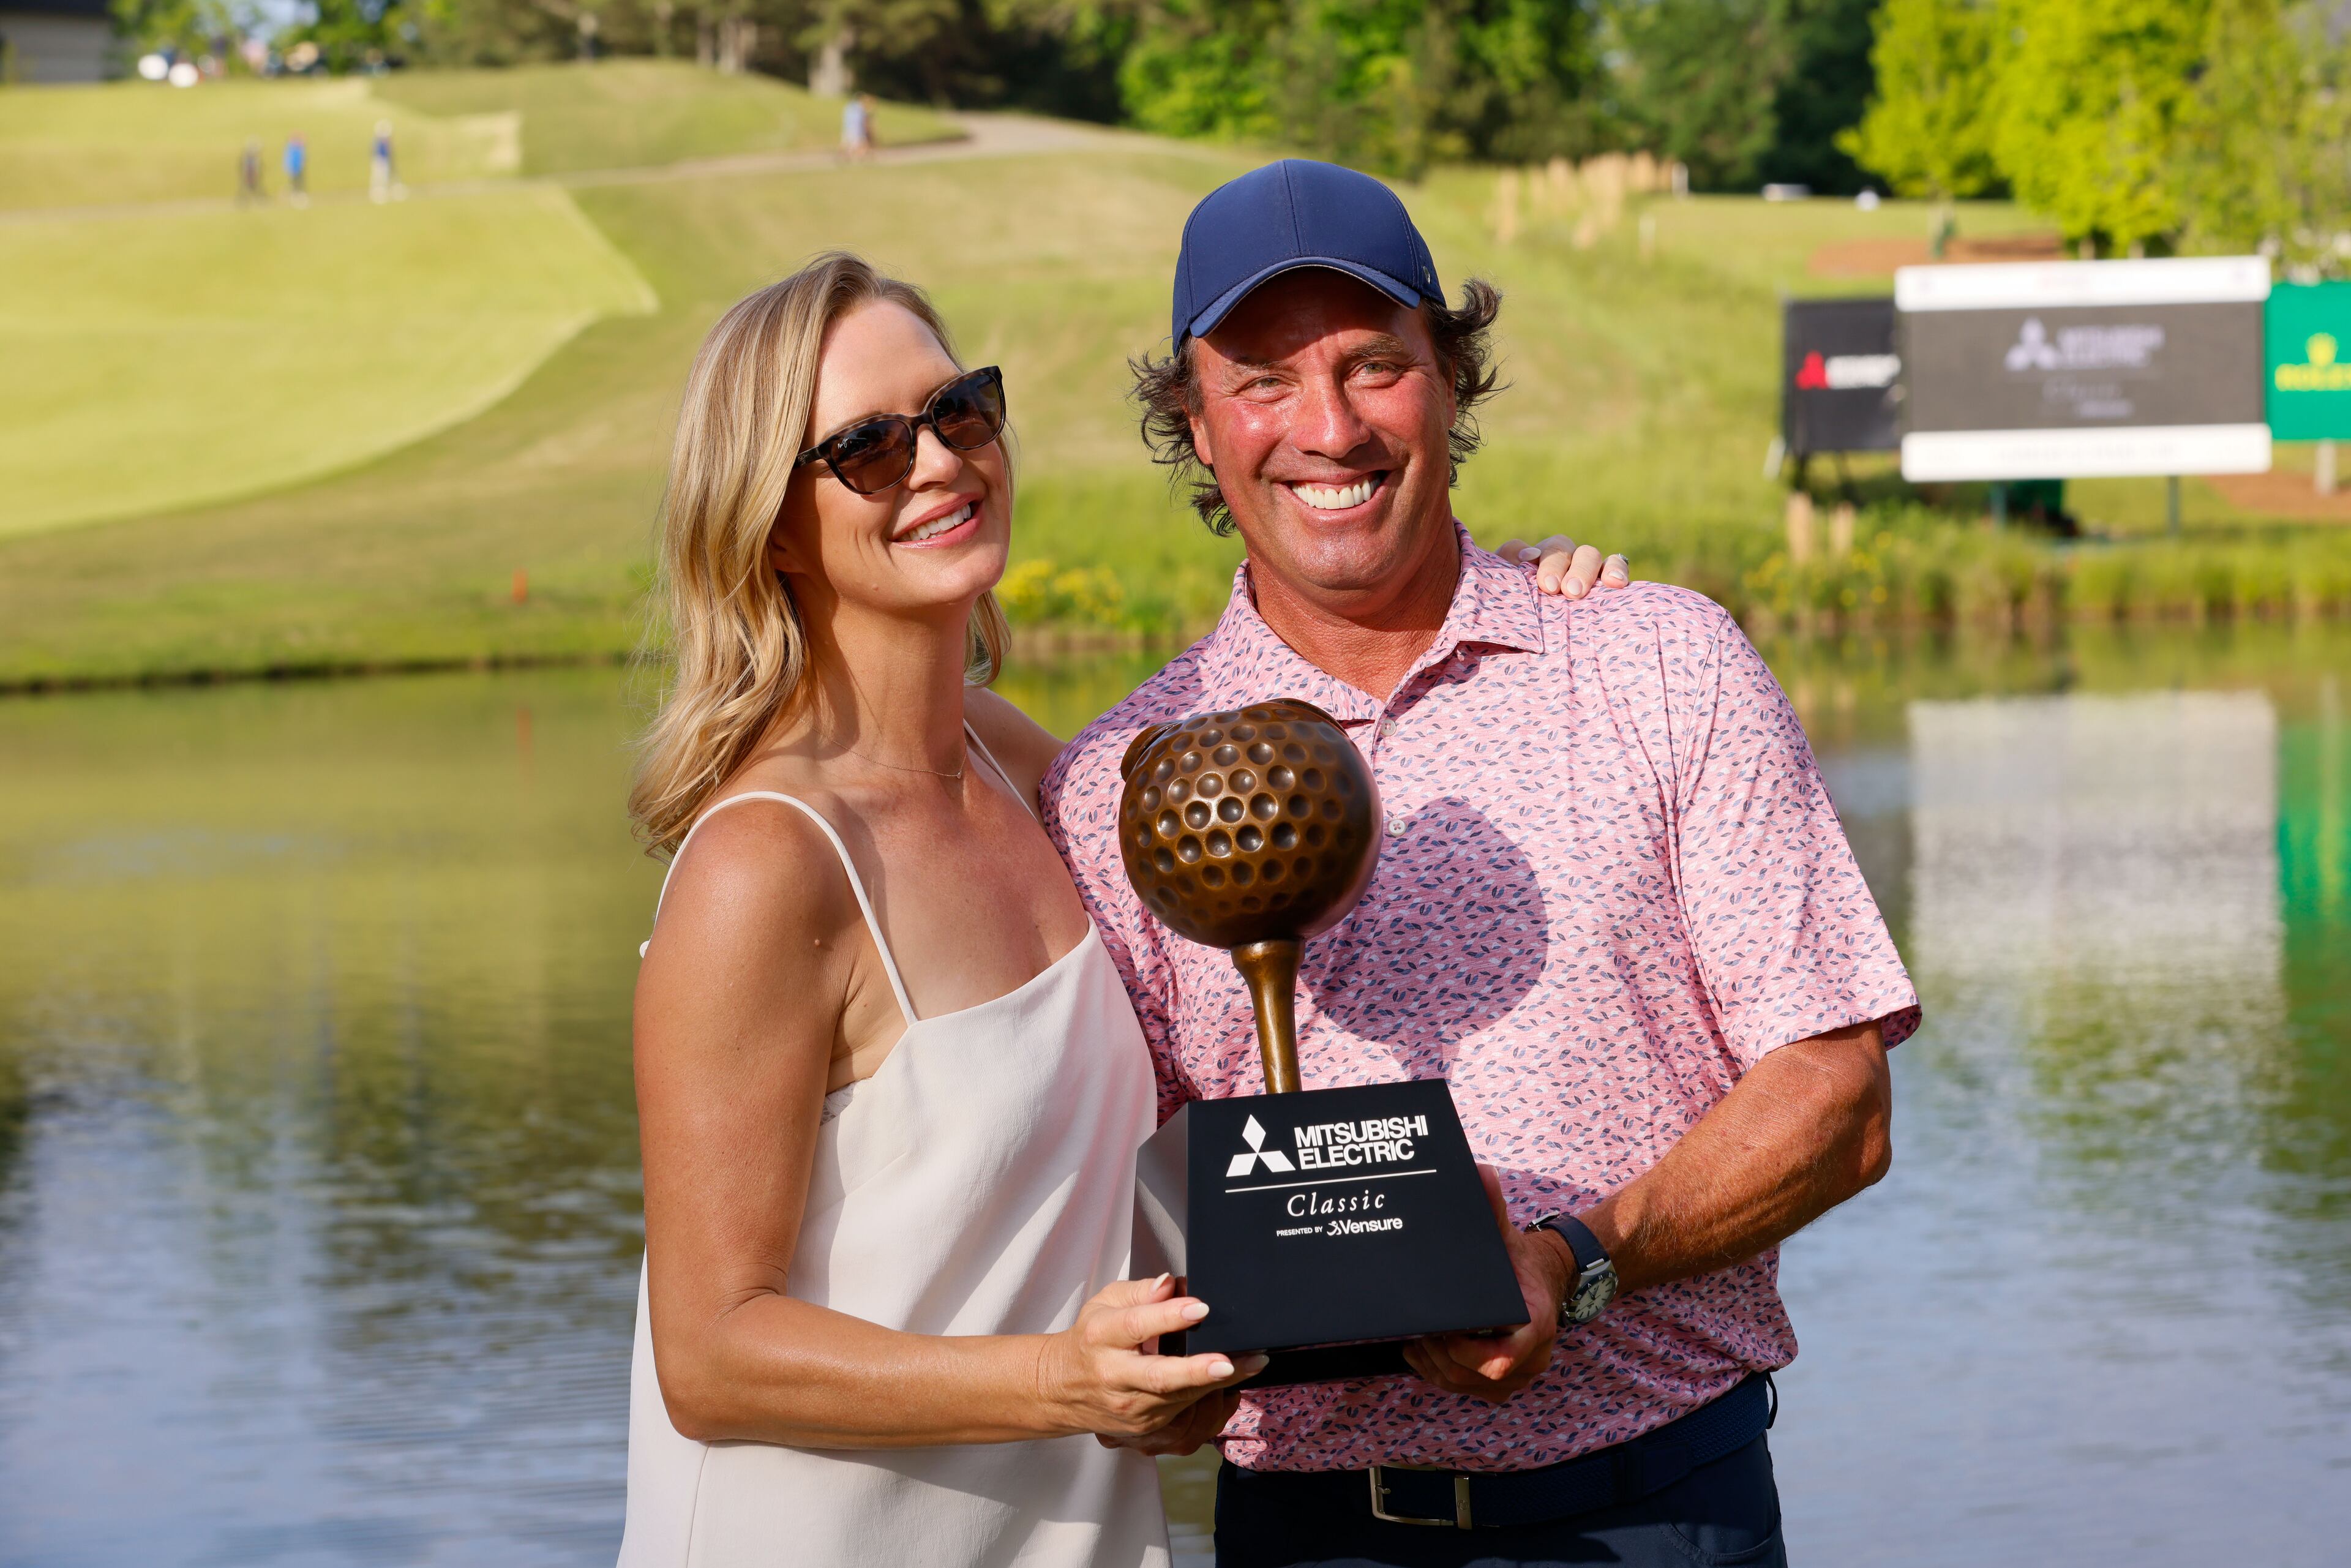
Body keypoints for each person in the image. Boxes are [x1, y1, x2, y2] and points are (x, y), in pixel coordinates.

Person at [618, 252, 1629, 1567]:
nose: (937, 461)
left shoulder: (1029, 768)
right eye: (865, 448)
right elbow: (712, 1354)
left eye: (959, 409)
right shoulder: (771, 861)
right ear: (769, 524)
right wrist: (1066, 1380)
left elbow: (1291, 804)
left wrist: (1528, 601)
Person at [1038, 159, 1922, 1568]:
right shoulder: (1113, 782)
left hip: (1660, 1509)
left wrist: (1574, 1258)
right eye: (1261, 379)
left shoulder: (1658, 661)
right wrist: (1145, 1360)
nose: (1326, 428)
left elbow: (1837, 1095)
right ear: (1194, 427)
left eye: (1374, 364)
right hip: (1310, 1532)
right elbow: (1111, 1188)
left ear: (1449, 379)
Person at [369, 120, 399, 203]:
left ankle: (383, 192)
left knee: (384, 177)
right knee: (379, 177)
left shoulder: (384, 142)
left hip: (384, 161)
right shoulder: (379, 142)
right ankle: (378, 194)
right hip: (380, 160)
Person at [839, 92, 872, 162]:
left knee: (852, 145)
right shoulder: (860, 108)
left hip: (849, 128)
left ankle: (848, 157)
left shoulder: (849, 107)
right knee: (857, 145)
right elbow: (863, 120)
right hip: (856, 130)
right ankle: (858, 157)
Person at [283, 133, 307, 207]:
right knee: (295, 182)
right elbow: (290, 160)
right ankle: (294, 195)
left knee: (299, 182)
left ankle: (298, 194)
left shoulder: (299, 148)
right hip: (294, 168)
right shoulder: (292, 148)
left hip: (299, 168)